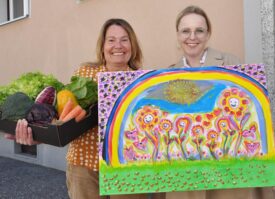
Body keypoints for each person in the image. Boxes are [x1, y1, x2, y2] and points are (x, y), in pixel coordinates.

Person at [5, 18, 164, 199]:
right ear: (103, 46)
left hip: (127, 168)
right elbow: (63, 118)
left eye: (124, 39)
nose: (117, 45)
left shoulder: (142, 81)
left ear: (132, 45)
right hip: (84, 166)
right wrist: (37, 136)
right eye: (111, 40)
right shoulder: (85, 73)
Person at [166, 5, 275, 199]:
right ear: (178, 35)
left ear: (208, 34)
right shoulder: (168, 74)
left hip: (229, 165)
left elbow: (253, 113)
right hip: (189, 170)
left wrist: (273, 156)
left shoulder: (231, 63)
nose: (192, 37)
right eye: (186, 31)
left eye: (199, 30)